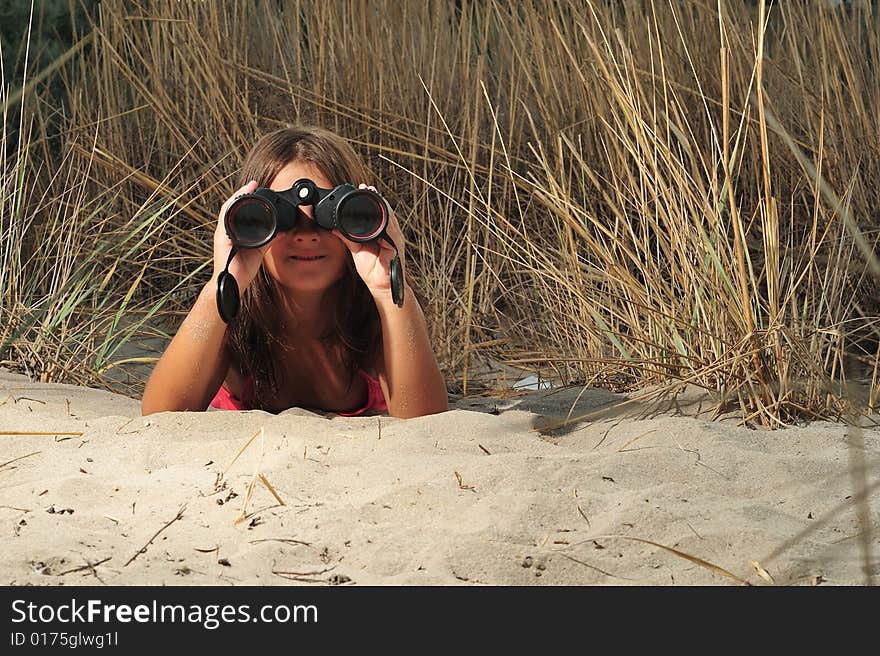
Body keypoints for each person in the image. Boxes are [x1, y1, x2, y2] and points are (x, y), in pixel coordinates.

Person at [141, 125, 448, 418]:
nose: (306, 235)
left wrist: (389, 289)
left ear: (361, 221)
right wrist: (223, 282)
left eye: (329, 217)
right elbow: (162, 416)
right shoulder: (234, 321)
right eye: (282, 219)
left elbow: (425, 422)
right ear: (247, 222)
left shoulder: (373, 320)